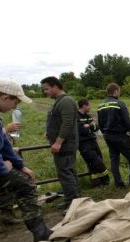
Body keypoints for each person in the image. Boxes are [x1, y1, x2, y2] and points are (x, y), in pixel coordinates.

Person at [0, 79, 52, 242]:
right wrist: (3, 167)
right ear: (4, 97)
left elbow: (3, 143)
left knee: (25, 181)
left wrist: (20, 166)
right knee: (25, 184)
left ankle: (40, 232)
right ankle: (40, 233)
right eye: (15, 101)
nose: (16, 106)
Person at [41, 76, 80, 210]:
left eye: (46, 89)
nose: (45, 92)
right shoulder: (59, 101)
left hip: (65, 145)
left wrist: (58, 142)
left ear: (55, 87)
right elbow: (58, 121)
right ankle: (74, 200)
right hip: (64, 144)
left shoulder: (66, 101)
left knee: (66, 172)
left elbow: (67, 123)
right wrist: (49, 132)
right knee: (67, 172)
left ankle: (73, 204)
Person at [97, 83, 130, 187]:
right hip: (120, 136)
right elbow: (127, 121)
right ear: (116, 91)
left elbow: (100, 123)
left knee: (114, 159)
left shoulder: (100, 105)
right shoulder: (119, 103)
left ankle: (118, 183)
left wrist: (105, 134)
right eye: (119, 91)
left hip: (108, 136)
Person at [77, 98, 109, 187]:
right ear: (84, 106)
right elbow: (81, 130)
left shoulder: (88, 116)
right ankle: (105, 180)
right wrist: (89, 126)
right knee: (96, 162)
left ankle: (99, 183)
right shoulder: (76, 117)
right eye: (89, 105)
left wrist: (89, 126)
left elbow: (95, 128)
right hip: (83, 144)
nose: (90, 107)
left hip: (93, 141)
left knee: (99, 160)